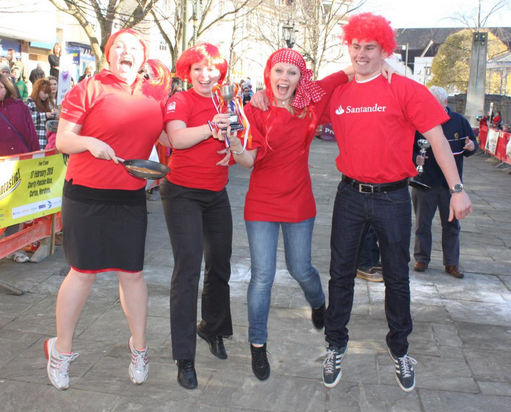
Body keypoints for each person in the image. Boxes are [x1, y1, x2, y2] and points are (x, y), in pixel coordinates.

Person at [322, 13, 472, 393]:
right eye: (355, 46)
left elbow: (438, 140)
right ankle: (335, 344)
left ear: (384, 49)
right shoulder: (338, 91)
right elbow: (300, 94)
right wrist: (343, 72)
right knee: (340, 274)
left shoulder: (404, 89)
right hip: (349, 195)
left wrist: (456, 188)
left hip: (392, 197)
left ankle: (400, 349)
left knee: (397, 277)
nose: (361, 54)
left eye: (369, 47)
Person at [44, 29, 171, 391]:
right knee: (82, 272)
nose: (126, 53)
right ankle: (60, 350)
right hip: (85, 195)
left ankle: (140, 349)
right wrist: (89, 142)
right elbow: (62, 140)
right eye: (119, 47)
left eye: (133, 49)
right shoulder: (88, 88)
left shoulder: (154, 95)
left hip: (129, 196)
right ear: (108, 54)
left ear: (143, 58)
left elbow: (169, 137)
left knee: (131, 273)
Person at [223, 48, 359, 381]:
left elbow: (350, 69)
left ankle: (318, 303)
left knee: (301, 268)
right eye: (278, 71)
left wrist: (385, 65)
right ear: (268, 73)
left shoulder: (311, 103)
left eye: (292, 73)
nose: (284, 78)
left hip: (299, 200)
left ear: (301, 78)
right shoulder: (255, 109)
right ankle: (258, 345)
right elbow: (248, 160)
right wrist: (236, 146)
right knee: (262, 277)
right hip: (261, 203)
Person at [161, 43, 232, 390]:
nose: (206, 75)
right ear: (187, 72)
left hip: (216, 193)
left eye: (212, 68)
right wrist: (209, 128)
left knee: (219, 265)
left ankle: (212, 328)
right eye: (198, 69)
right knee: (187, 270)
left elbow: (234, 139)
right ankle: (183, 356)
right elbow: (176, 137)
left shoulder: (226, 101)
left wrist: (229, 151)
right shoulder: (180, 101)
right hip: (183, 194)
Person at [412, 86, 478, 279]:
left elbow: (471, 144)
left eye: (434, 104)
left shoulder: (459, 122)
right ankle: (421, 258)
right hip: (424, 182)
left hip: (450, 185)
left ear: (445, 103)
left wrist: (471, 146)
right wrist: (416, 157)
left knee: (451, 224)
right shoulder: (418, 121)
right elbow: (407, 146)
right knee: (422, 223)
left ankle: (452, 263)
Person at [0, 73, 40, 263]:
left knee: (15, 209)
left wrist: (37, 159)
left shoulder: (21, 108)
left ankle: (12, 248)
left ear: (7, 88)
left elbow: (31, 134)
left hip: (20, 165)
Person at [25, 78, 57, 149]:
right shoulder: (29, 102)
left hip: (46, 141)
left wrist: (53, 116)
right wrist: (45, 115)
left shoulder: (46, 103)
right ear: (37, 91)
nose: (46, 96)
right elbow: (27, 119)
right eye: (44, 93)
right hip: (34, 141)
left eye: (48, 94)